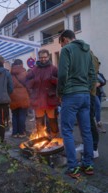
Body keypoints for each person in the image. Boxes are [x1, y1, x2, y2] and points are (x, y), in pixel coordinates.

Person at [57, 30, 96, 178]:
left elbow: (62, 74)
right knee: (86, 131)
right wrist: (88, 89)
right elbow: (92, 74)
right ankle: (88, 164)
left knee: (67, 130)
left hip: (71, 95)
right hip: (85, 95)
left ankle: (73, 167)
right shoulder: (87, 50)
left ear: (65, 39)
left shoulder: (67, 50)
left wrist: (60, 92)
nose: (61, 46)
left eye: (61, 43)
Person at [26, 49, 59, 138]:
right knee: (39, 120)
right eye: (41, 57)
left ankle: (54, 136)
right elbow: (27, 81)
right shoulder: (34, 70)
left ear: (48, 57)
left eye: (45, 57)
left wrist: (52, 79)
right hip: (38, 99)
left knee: (52, 120)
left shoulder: (54, 68)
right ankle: (41, 137)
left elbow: (61, 82)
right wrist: (32, 86)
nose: (43, 59)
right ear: (38, 58)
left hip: (50, 99)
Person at [10, 59, 30, 138]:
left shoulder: (10, 74)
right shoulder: (25, 73)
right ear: (21, 64)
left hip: (13, 96)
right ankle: (22, 133)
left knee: (14, 115)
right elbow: (29, 85)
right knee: (22, 115)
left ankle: (15, 133)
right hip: (23, 97)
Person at [95, 62, 106, 133]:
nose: (98, 67)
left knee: (97, 108)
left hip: (99, 93)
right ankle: (98, 123)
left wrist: (99, 83)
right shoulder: (91, 74)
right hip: (92, 93)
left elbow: (104, 81)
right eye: (97, 65)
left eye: (99, 66)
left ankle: (97, 124)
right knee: (98, 107)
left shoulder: (100, 74)